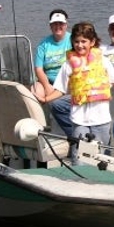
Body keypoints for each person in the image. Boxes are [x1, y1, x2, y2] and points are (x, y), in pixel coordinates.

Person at [38, 21, 114, 165]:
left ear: (92, 42)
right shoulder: (68, 64)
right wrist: (45, 99)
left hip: (101, 121)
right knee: (79, 159)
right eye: (76, 42)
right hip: (79, 120)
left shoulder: (104, 62)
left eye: (83, 41)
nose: (80, 45)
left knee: (102, 160)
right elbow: (60, 90)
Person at [32, 9, 73, 138]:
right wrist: (46, 86)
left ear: (66, 25)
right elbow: (38, 68)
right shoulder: (44, 44)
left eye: (61, 24)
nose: (58, 27)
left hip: (67, 80)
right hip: (49, 80)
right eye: (55, 24)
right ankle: (42, 128)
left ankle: (68, 124)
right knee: (36, 91)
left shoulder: (72, 39)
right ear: (50, 26)